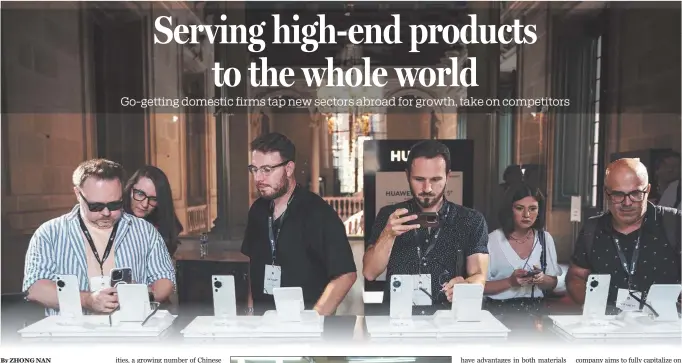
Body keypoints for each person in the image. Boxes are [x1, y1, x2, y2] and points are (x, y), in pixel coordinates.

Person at [22, 159, 176, 316]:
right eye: (96, 206)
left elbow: (165, 280)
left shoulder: (146, 231)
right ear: (77, 194)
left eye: (115, 205)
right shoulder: (49, 233)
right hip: (72, 335)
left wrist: (143, 293)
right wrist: (87, 300)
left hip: (130, 334)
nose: (106, 213)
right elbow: (36, 289)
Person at [363, 139, 489, 313]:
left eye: (436, 179)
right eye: (419, 179)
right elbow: (370, 272)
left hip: (447, 320)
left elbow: (479, 276)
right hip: (398, 319)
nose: (427, 188)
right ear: (407, 175)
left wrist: (467, 284)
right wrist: (388, 234)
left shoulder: (470, 220)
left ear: (448, 176)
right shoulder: (390, 215)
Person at [241, 133, 357, 316]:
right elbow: (252, 264)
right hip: (262, 324)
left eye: (266, 170)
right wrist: (249, 311)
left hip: (306, 327)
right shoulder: (257, 210)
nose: (258, 178)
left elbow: (346, 275)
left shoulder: (319, 213)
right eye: (254, 169)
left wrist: (314, 318)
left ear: (288, 168)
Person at [566, 158, 681, 308]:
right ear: (607, 193)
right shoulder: (592, 229)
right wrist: (593, 309)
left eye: (635, 193)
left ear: (648, 190)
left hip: (664, 327)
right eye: (618, 195)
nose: (627, 203)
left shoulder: (675, 223)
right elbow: (576, 276)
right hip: (608, 327)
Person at [484, 183, 561, 318]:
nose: (527, 214)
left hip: (535, 313)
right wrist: (509, 282)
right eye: (520, 208)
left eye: (533, 209)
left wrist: (541, 279)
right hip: (498, 313)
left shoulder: (545, 239)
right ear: (509, 209)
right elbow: (479, 287)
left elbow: (552, 283)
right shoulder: (491, 240)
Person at [123, 165, 184, 256]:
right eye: (140, 194)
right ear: (130, 189)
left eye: (153, 199)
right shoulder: (115, 220)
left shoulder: (161, 229)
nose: (145, 204)